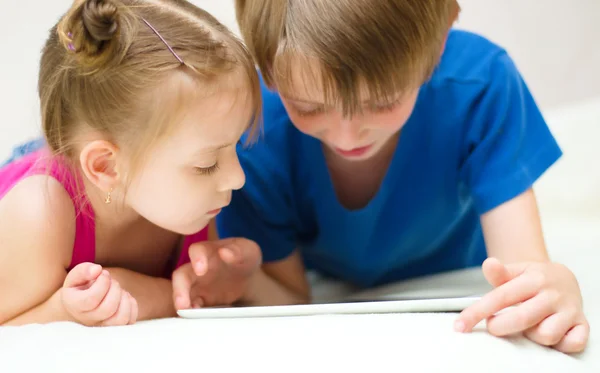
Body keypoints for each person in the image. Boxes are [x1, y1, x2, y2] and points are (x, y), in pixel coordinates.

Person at [179, 0, 589, 353]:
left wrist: (551, 288)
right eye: (309, 107)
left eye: (382, 101)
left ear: (439, 45)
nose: (346, 135)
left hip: (458, 271)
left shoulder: (481, 85)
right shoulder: (254, 131)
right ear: (267, 70)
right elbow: (292, 299)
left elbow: (522, 277)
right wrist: (249, 283)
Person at [0, 0, 261, 326]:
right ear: (106, 167)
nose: (237, 178)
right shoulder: (37, 214)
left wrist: (224, 284)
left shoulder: (185, 206)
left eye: (236, 146)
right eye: (207, 164)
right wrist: (64, 312)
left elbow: (191, 301)